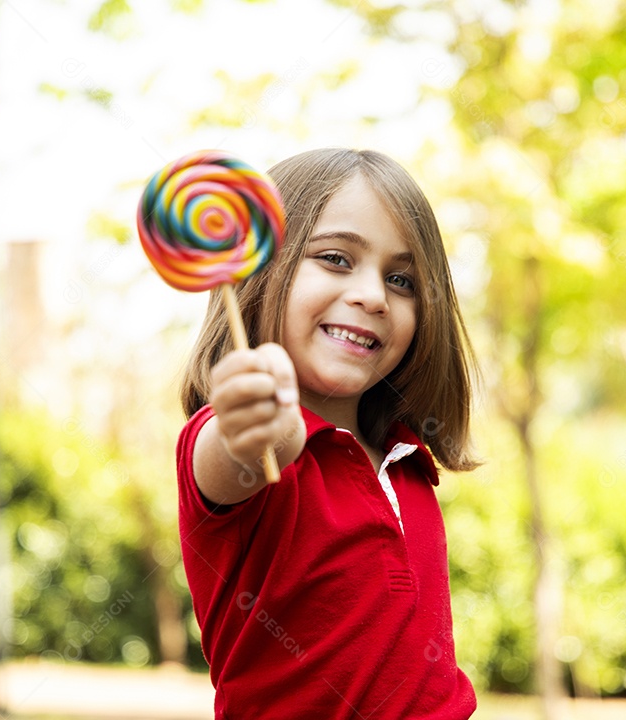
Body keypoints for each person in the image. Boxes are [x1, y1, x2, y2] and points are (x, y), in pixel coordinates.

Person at [176, 148, 479, 718]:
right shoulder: (231, 436)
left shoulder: (406, 459)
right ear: (256, 270)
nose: (373, 296)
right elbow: (241, 451)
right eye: (336, 258)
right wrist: (258, 426)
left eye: (401, 279)